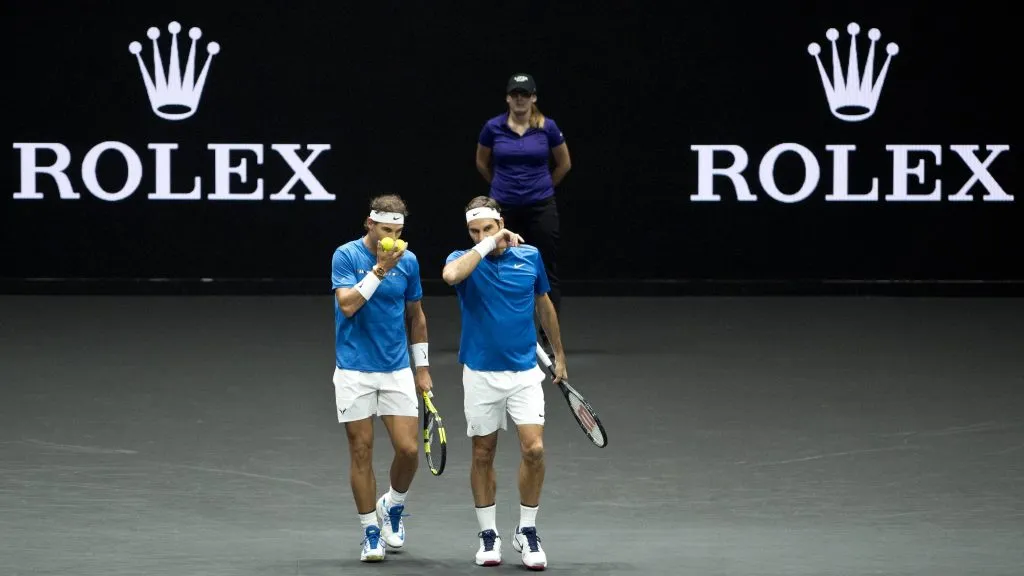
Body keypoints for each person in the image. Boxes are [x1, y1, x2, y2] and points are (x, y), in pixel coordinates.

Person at [442, 196, 569, 570]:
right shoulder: (463, 261)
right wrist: (485, 245)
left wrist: (559, 353)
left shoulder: (529, 257)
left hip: (525, 373)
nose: (481, 235)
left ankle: (526, 531)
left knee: (534, 450)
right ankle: (488, 534)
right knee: (483, 453)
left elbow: (543, 304)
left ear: (501, 223)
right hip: (480, 374)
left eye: (488, 228)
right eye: (474, 231)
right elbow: (450, 277)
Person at [330, 194, 434, 563]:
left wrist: (421, 368)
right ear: (369, 224)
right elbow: (347, 304)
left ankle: (393, 504)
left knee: (408, 451)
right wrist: (379, 270)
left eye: (398, 231)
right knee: (361, 451)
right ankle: (370, 531)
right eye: (385, 229)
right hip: (354, 370)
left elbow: (416, 315)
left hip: (395, 369)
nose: (392, 237)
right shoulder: (345, 256)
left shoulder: (409, 261)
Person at [475, 73, 572, 352]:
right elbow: (482, 162)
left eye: (525, 94)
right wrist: (500, 186)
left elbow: (564, 163)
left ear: (533, 98)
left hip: (541, 205)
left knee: (546, 268)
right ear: (508, 97)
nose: (520, 98)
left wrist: (543, 187)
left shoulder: (547, 127)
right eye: (515, 94)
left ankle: (548, 336)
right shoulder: (493, 127)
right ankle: (497, 329)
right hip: (503, 206)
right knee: (495, 262)